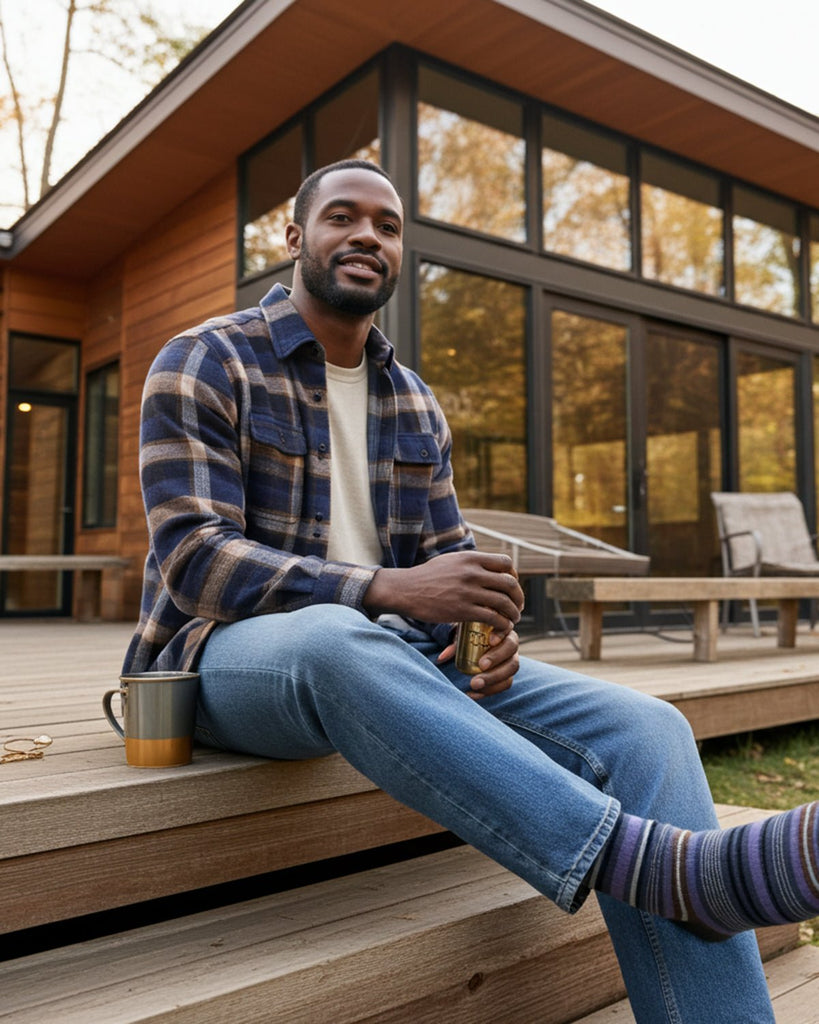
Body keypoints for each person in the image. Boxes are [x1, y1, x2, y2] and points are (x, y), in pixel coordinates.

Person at [124, 158, 819, 1022]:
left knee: (649, 728)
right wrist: (386, 587)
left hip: (395, 660)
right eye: (343, 218)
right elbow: (195, 561)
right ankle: (664, 870)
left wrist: (486, 639)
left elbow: (451, 568)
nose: (367, 236)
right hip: (228, 664)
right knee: (338, 637)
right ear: (294, 238)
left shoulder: (412, 400)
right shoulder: (204, 358)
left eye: (387, 226)